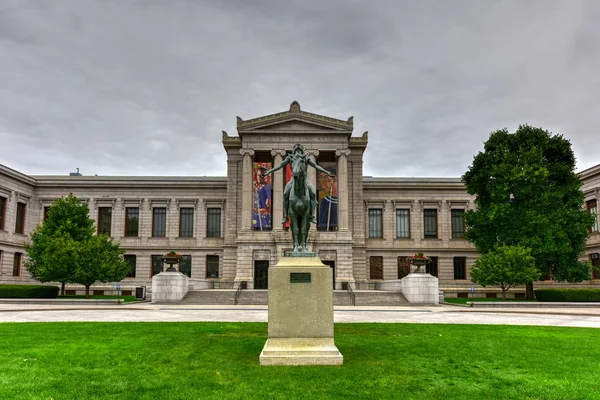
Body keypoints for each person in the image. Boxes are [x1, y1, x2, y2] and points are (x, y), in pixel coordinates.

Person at [263, 144, 334, 225]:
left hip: (304, 180)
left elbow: (315, 166)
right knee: (286, 194)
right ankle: (286, 216)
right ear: (294, 151)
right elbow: (280, 165)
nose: (298, 152)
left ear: (302, 151)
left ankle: (312, 215)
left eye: (299, 150)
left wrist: (326, 172)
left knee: (313, 193)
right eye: (296, 150)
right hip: (293, 179)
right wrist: (269, 171)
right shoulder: (290, 158)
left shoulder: (306, 158)